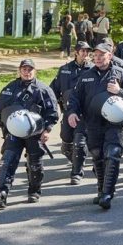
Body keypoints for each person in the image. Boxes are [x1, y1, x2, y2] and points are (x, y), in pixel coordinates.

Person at [67, 43, 123, 209]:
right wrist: (72, 112)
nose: (98, 58)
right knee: (97, 155)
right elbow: (75, 98)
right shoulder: (86, 75)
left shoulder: (121, 74)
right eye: (96, 55)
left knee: (112, 154)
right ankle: (101, 190)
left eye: (102, 55)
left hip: (114, 123)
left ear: (110, 56)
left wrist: (120, 91)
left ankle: (108, 193)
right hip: (92, 122)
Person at [0, 59, 59, 208]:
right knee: (7, 160)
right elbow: (1, 110)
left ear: (35, 71)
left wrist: (47, 130)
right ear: (20, 70)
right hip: (13, 132)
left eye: (30, 69)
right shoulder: (10, 88)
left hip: (35, 133)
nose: (27, 72)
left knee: (34, 163)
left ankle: (34, 190)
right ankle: (1, 193)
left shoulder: (44, 90)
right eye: (24, 69)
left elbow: (52, 113)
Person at [49, 41, 93, 185]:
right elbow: (53, 91)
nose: (85, 54)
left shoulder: (93, 70)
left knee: (79, 143)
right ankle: (77, 160)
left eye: (87, 51)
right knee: (67, 141)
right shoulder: (65, 70)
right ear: (76, 52)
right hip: (68, 111)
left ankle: (76, 172)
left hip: (85, 113)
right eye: (83, 51)